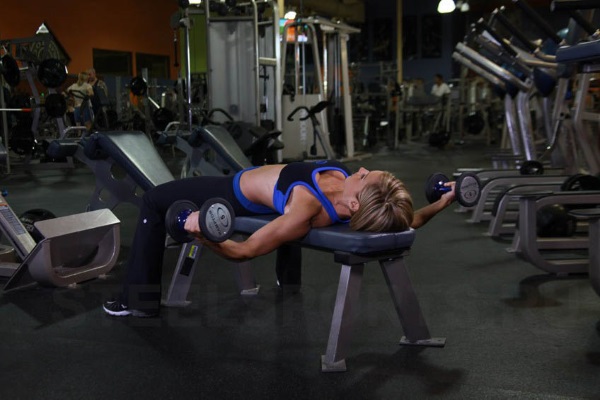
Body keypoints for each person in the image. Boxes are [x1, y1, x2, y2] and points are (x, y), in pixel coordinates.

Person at [103, 160, 456, 317]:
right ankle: (287, 282)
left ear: (354, 202)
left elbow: (243, 251)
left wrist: (201, 232)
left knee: (153, 200)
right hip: (268, 191)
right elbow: (408, 218)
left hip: (232, 192)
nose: (360, 170)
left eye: (362, 176)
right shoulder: (366, 198)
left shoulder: (303, 211)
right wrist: (442, 200)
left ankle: (138, 302)